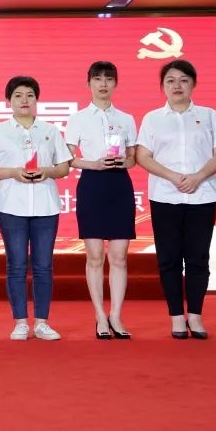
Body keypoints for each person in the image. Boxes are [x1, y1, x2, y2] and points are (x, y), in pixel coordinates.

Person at [136, 60, 216, 340]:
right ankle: (177, 316)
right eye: (170, 80)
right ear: (162, 86)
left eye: (183, 80)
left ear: (193, 84)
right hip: (165, 196)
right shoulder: (152, 118)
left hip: (202, 196)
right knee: (169, 259)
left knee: (198, 258)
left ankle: (196, 315)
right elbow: (143, 156)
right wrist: (173, 176)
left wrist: (198, 176)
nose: (177, 85)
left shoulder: (208, 115)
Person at [0, 76, 72, 341]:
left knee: (43, 266)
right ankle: (20, 322)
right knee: (17, 265)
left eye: (30, 95)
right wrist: (13, 172)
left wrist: (46, 171)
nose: (24, 100)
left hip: (46, 206)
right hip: (12, 207)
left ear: (36, 99)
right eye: (18, 95)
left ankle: (42, 322)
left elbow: (64, 167)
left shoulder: (50, 130)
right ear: (8, 100)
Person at [66, 61, 138, 340]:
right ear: (89, 84)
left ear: (115, 83)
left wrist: (124, 162)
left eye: (109, 79)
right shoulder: (78, 118)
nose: (103, 84)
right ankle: (99, 316)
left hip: (119, 184)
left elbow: (133, 158)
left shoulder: (127, 118)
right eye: (97, 79)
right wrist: (93, 164)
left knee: (119, 257)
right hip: (92, 184)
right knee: (95, 256)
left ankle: (116, 315)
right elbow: (67, 158)